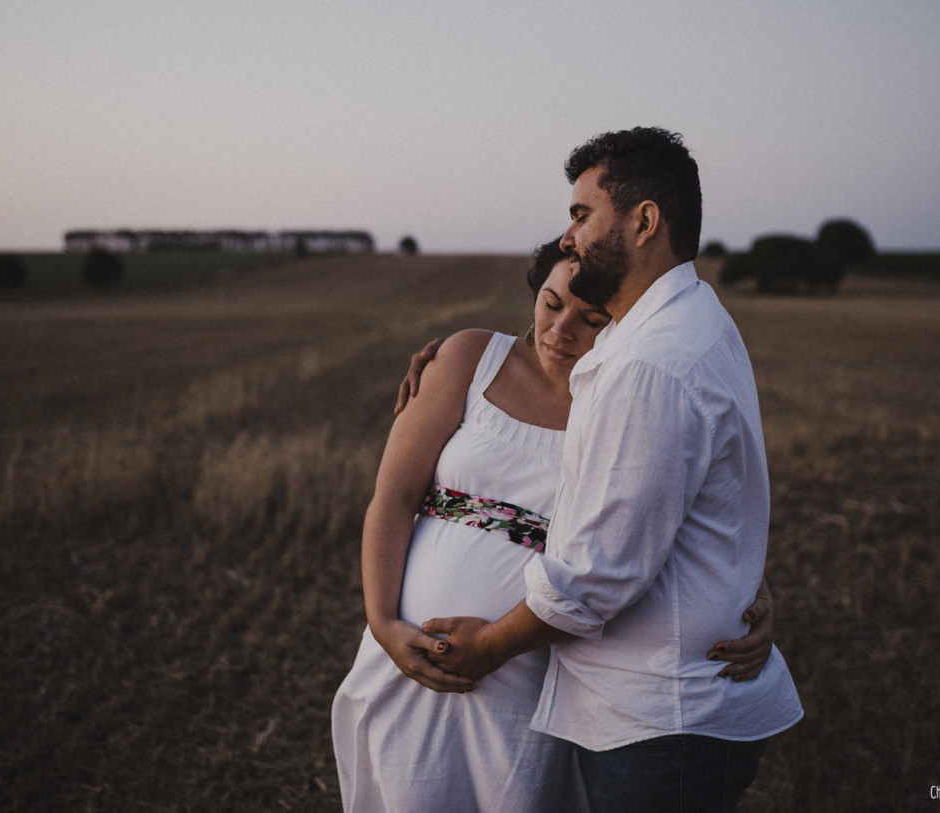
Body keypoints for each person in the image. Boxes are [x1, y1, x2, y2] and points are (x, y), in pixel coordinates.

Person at [422, 128, 802, 812]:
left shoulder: (652, 363)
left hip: (663, 723)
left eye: (580, 215)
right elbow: (681, 495)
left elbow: (593, 575)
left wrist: (485, 647)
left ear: (644, 221)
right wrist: (461, 360)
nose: (567, 238)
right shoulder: (688, 320)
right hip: (661, 713)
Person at [331, 237, 776, 812]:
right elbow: (393, 496)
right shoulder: (469, 356)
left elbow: (680, 517)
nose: (560, 331)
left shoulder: (627, 398)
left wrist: (748, 592)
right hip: (410, 655)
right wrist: (383, 623)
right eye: (550, 303)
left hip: (529, 670)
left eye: (590, 319)